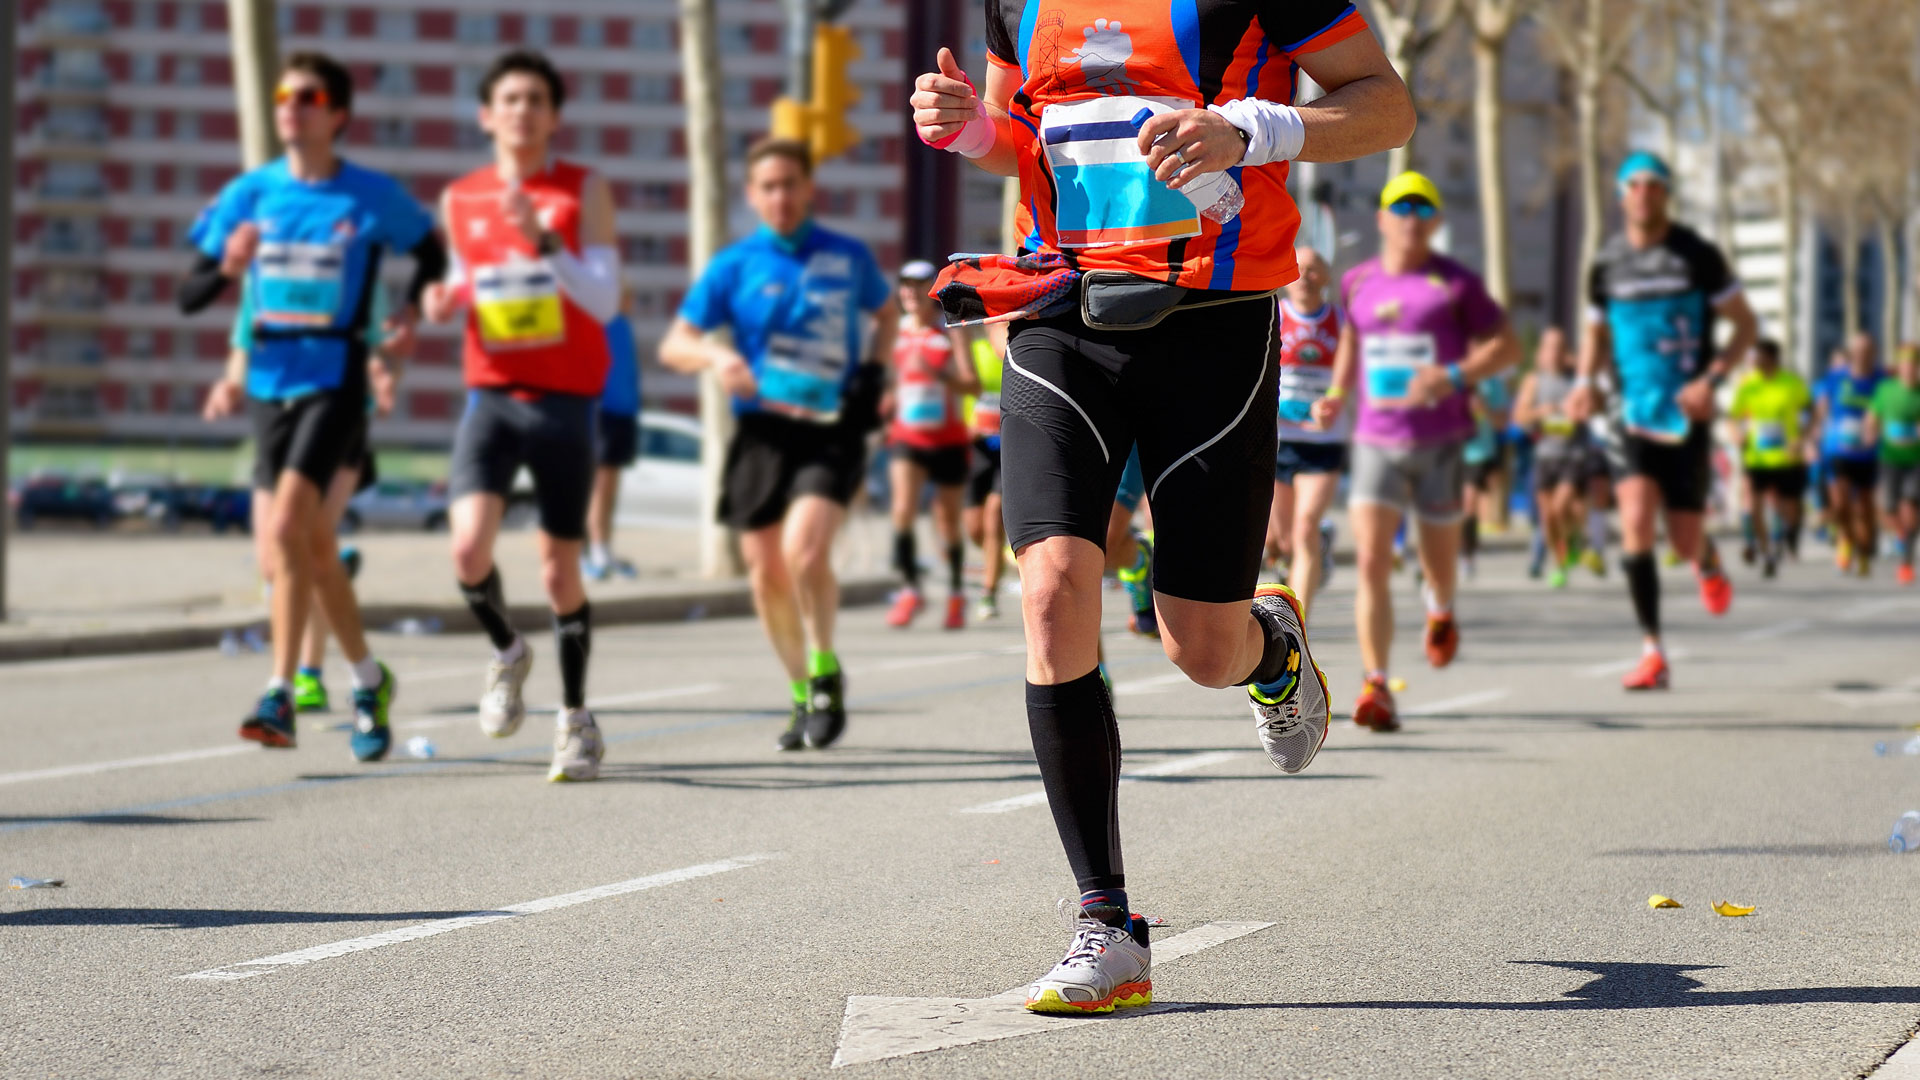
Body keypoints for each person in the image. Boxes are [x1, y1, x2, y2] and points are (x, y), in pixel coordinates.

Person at [912, 0, 1414, 1015]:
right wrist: (968, 125)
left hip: (1215, 325)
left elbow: (1387, 106)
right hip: (1061, 313)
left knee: (1198, 648)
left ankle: (1268, 652)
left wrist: (1251, 127)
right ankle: (1107, 922)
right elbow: (1028, 143)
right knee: (1052, 588)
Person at [181, 52, 442, 760]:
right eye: (282, 95)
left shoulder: (368, 196)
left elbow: (433, 250)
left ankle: (279, 691)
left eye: (308, 96)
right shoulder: (249, 194)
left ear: (338, 114)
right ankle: (368, 679)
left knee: (293, 524)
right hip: (270, 386)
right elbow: (189, 293)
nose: (291, 105)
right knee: (309, 550)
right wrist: (228, 268)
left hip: (337, 381)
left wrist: (412, 312)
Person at [421, 51, 622, 781]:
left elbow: (603, 301)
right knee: (467, 550)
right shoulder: (463, 199)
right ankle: (507, 650)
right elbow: (463, 282)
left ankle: (574, 719)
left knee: (556, 567)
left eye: (536, 99)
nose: (522, 111)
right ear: (487, 115)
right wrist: (443, 300)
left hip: (566, 400)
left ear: (553, 115)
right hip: (493, 396)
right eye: (509, 99)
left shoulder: (580, 190)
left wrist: (545, 241)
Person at [660, 137, 897, 752]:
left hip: (829, 426)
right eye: (768, 186)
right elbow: (674, 344)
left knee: (804, 550)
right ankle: (800, 690)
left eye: (790, 183)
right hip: (761, 430)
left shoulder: (844, 256)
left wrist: (873, 372)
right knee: (765, 573)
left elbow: (889, 311)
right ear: (751, 195)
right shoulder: (734, 265)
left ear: (808, 189)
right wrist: (716, 354)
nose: (781, 197)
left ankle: (823, 670)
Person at [1314, 172, 1518, 732]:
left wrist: (1451, 375)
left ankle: (1441, 609)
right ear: (1382, 219)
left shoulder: (1456, 284)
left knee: (1437, 564)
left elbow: (1507, 347)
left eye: (1421, 209)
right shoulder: (1357, 282)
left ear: (1435, 222)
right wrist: (1336, 394)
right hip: (1377, 441)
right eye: (1399, 208)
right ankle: (1376, 684)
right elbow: (1352, 340)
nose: (1410, 218)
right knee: (1374, 561)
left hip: (1441, 444)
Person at [1569, 151, 1757, 691]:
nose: (1645, 194)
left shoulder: (1698, 255)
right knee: (1634, 521)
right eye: (1635, 184)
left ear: (1666, 194)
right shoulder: (1606, 263)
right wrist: (1584, 383)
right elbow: (1596, 335)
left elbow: (1743, 326)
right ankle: (1652, 650)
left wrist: (1711, 380)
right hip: (1627, 411)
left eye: (1655, 185)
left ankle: (1706, 557)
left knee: (1681, 538)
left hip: (1685, 413)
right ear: (1621, 193)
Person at [220, 277, 402, 712]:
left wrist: (380, 371)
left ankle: (302, 677)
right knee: (275, 561)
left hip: (336, 416)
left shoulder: (350, 253)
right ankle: (363, 669)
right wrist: (230, 381)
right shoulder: (266, 260)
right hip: (276, 415)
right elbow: (245, 336)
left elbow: (382, 340)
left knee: (307, 543)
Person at [883, 261, 979, 630]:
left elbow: (972, 385)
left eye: (916, 286)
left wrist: (939, 374)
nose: (908, 293)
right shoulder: (896, 333)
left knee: (948, 523)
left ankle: (955, 593)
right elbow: (892, 383)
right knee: (902, 511)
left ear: (929, 292)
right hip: (907, 437)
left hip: (949, 440)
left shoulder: (949, 332)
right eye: (903, 286)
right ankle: (911, 591)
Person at [1271, 246, 1347, 621]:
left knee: (1303, 529)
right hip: (1276, 441)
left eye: (1315, 269)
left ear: (1327, 277)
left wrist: (1334, 402)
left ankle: (1297, 623)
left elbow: (1355, 377)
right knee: (1277, 542)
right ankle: (1312, 552)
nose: (1306, 276)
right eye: (1299, 268)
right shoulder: (1274, 314)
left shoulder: (1341, 322)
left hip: (1321, 443)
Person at [1727, 338, 1810, 579]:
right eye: (1753, 358)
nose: (1754, 363)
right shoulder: (1747, 385)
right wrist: (1736, 435)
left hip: (1787, 458)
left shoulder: (1792, 384)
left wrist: (1801, 438)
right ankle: (1766, 552)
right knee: (1753, 507)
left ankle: (1782, 539)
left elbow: (1809, 412)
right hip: (1757, 458)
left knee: (1787, 509)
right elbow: (1733, 416)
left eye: (1759, 358)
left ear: (1772, 358)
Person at [1513, 327, 1589, 588]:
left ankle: (1573, 543)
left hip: (1573, 454)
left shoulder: (1577, 378)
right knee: (1548, 517)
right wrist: (1539, 413)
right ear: (1541, 352)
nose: (1554, 352)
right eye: (1548, 346)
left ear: (1565, 350)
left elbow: (1592, 407)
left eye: (1559, 346)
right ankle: (1562, 560)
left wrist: (1576, 411)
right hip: (1545, 455)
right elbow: (1519, 417)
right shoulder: (1533, 380)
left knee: (1560, 507)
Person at [1812, 331, 1884, 578]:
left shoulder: (1882, 379)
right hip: (1838, 449)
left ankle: (1864, 552)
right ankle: (1845, 541)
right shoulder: (1837, 377)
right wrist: (1817, 430)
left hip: (1867, 453)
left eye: (1868, 351)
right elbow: (1822, 407)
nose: (1863, 355)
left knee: (1864, 508)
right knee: (1840, 503)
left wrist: (1877, 428)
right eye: (1858, 350)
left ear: (1873, 353)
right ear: (1852, 352)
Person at [584, 298, 643, 582]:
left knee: (610, 486)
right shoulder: (593, 315)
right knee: (598, 485)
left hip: (623, 409)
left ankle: (603, 548)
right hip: (598, 407)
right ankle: (592, 552)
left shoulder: (623, 321)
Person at [962, 324, 1011, 620]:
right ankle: (999, 556)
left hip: (1007, 447)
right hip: (977, 448)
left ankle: (988, 593)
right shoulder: (972, 353)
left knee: (994, 517)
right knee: (974, 529)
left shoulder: (1013, 352)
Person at [1868, 344, 1920, 585]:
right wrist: (1869, 431)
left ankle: (1906, 562)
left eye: (1915, 365)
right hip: (1889, 459)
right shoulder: (1885, 390)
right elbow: (1872, 417)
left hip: (1915, 462)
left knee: (1910, 506)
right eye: (1906, 364)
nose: (1910, 370)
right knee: (1888, 509)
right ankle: (1902, 535)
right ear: (1899, 367)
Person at [1458, 371, 1512, 579]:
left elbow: (1502, 422)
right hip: (1447, 447)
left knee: (1468, 502)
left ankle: (1467, 556)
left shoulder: (1492, 381)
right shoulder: (1450, 372)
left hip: (1477, 451)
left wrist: (1484, 410)